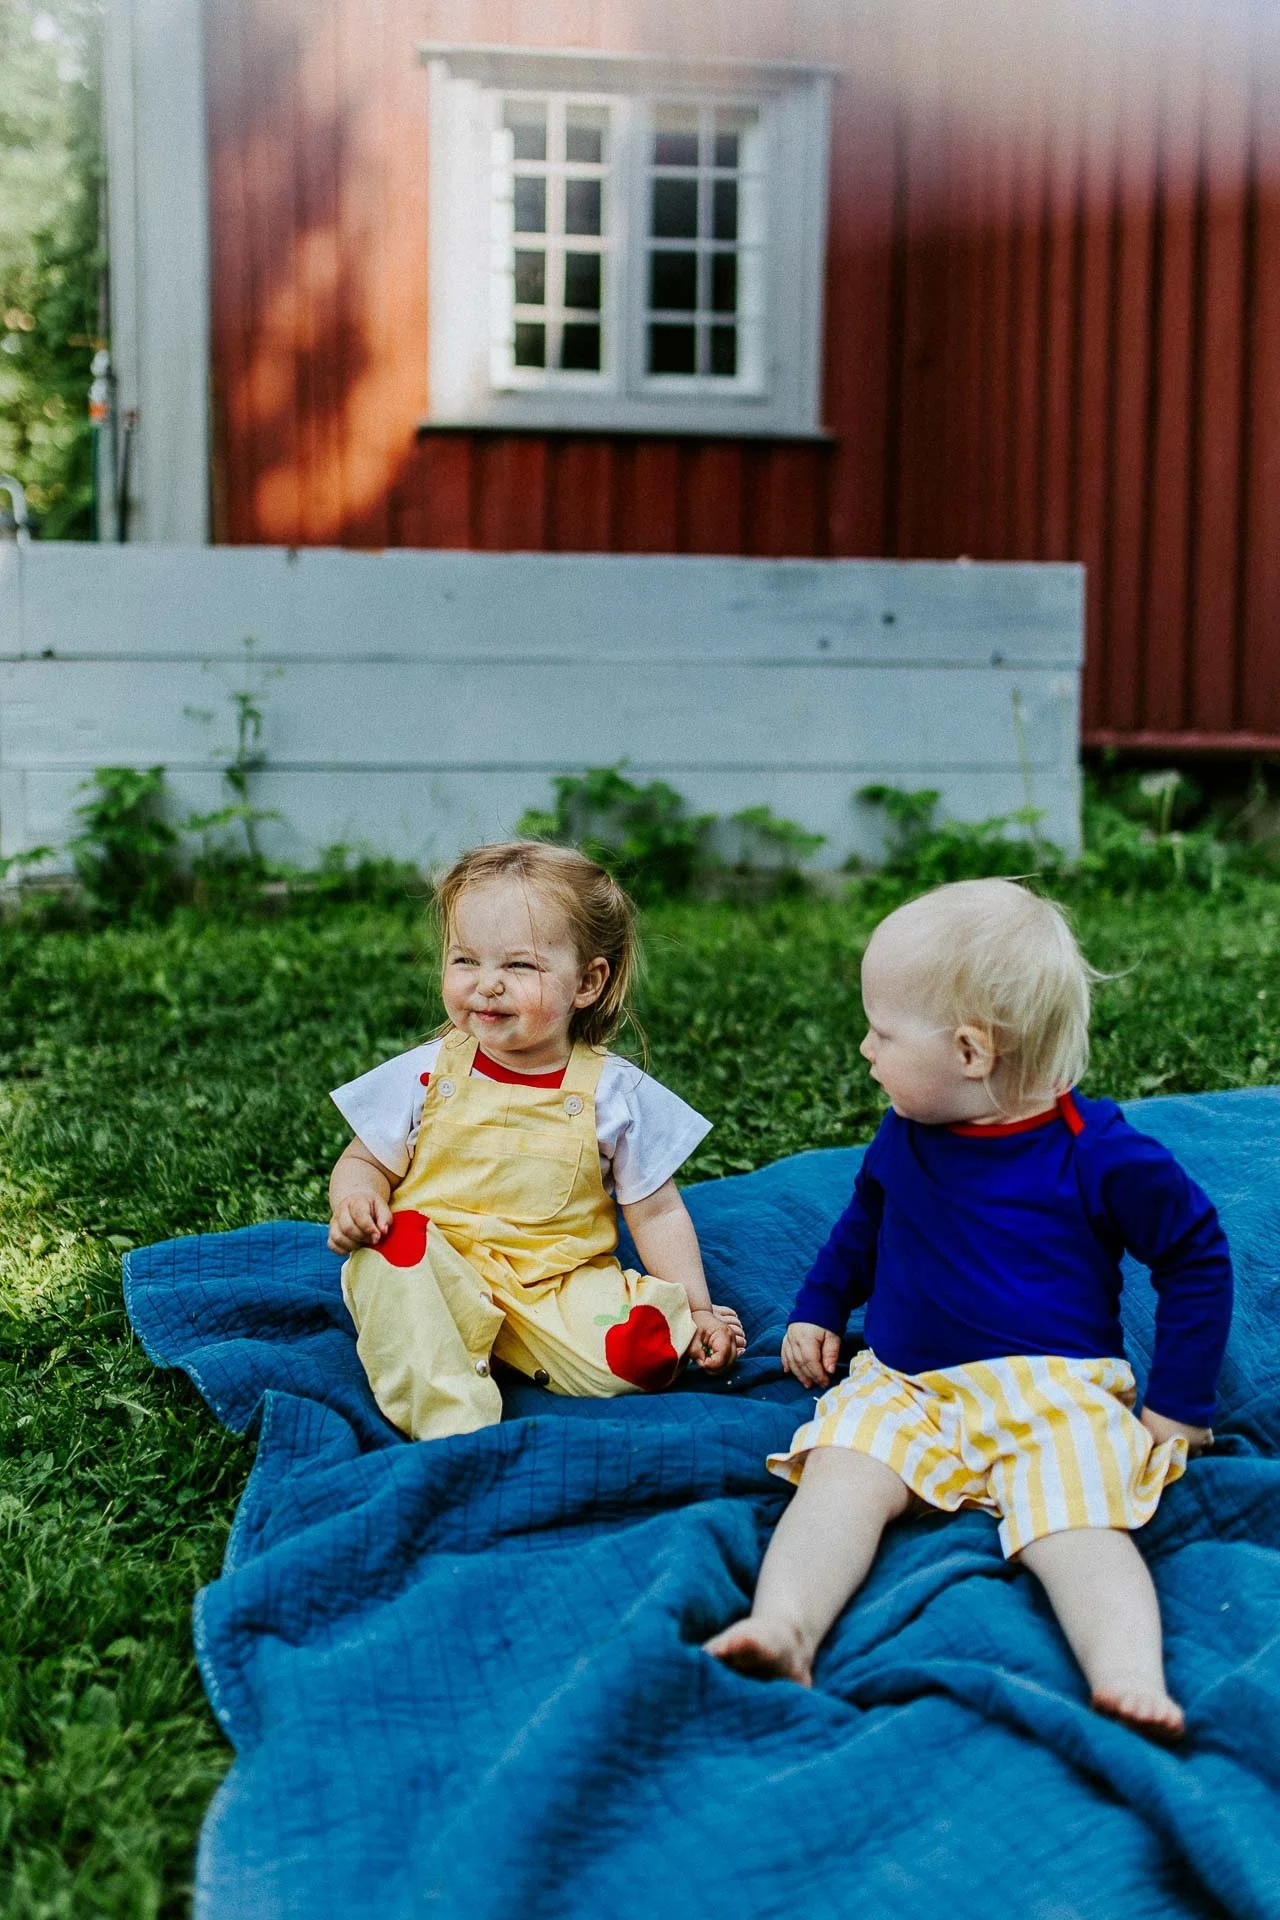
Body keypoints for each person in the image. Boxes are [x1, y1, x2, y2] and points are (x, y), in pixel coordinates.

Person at [706, 878, 1232, 1741]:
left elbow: (1197, 1252)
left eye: (882, 1031)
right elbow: (862, 1227)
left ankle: (1130, 1677)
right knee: (839, 1476)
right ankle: (785, 1627)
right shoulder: (902, 1136)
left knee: (1078, 1524)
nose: (865, 1049)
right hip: (906, 1383)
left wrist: (1178, 1407)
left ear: (969, 1052)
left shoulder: (1097, 1155)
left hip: (1050, 1391)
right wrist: (819, 1307)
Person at [328, 840, 743, 1442]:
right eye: (466, 960)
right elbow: (363, 1160)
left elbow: (655, 1211)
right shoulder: (427, 1072)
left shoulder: (611, 1093)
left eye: (519, 966)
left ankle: (653, 1328)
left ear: (587, 982)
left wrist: (698, 1303)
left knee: (635, 1360)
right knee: (393, 1263)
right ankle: (454, 1421)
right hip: (436, 1266)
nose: (487, 985)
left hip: (555, 1281)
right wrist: (356, 1199)